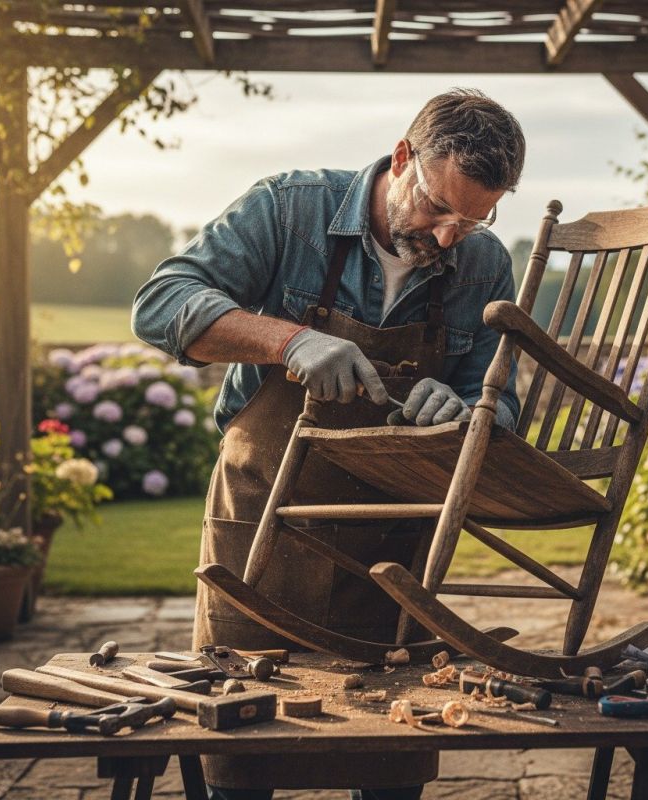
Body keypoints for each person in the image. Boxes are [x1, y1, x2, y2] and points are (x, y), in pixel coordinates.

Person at [132, 87, 525, 800]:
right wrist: (288, 339)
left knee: (389, 755)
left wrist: (468, 409)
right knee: (241, 755)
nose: (446, 236)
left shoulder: (485, 264)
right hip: (261, 524)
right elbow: (160, 304)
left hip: (390, 550)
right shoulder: (290, 208)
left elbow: (500, 402)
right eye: (437, 206)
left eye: (472, 219)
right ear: (402, 157)